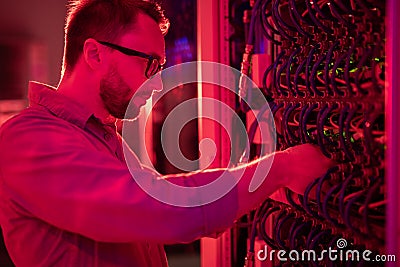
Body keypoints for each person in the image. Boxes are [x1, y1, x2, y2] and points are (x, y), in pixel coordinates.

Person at [0, 0, 333, 266]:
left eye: (159, 68)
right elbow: (158, 207)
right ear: (94, 54)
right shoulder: (26, 139)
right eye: (149, 64)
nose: (157, 82)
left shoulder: (105, 138)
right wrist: (280, 169)